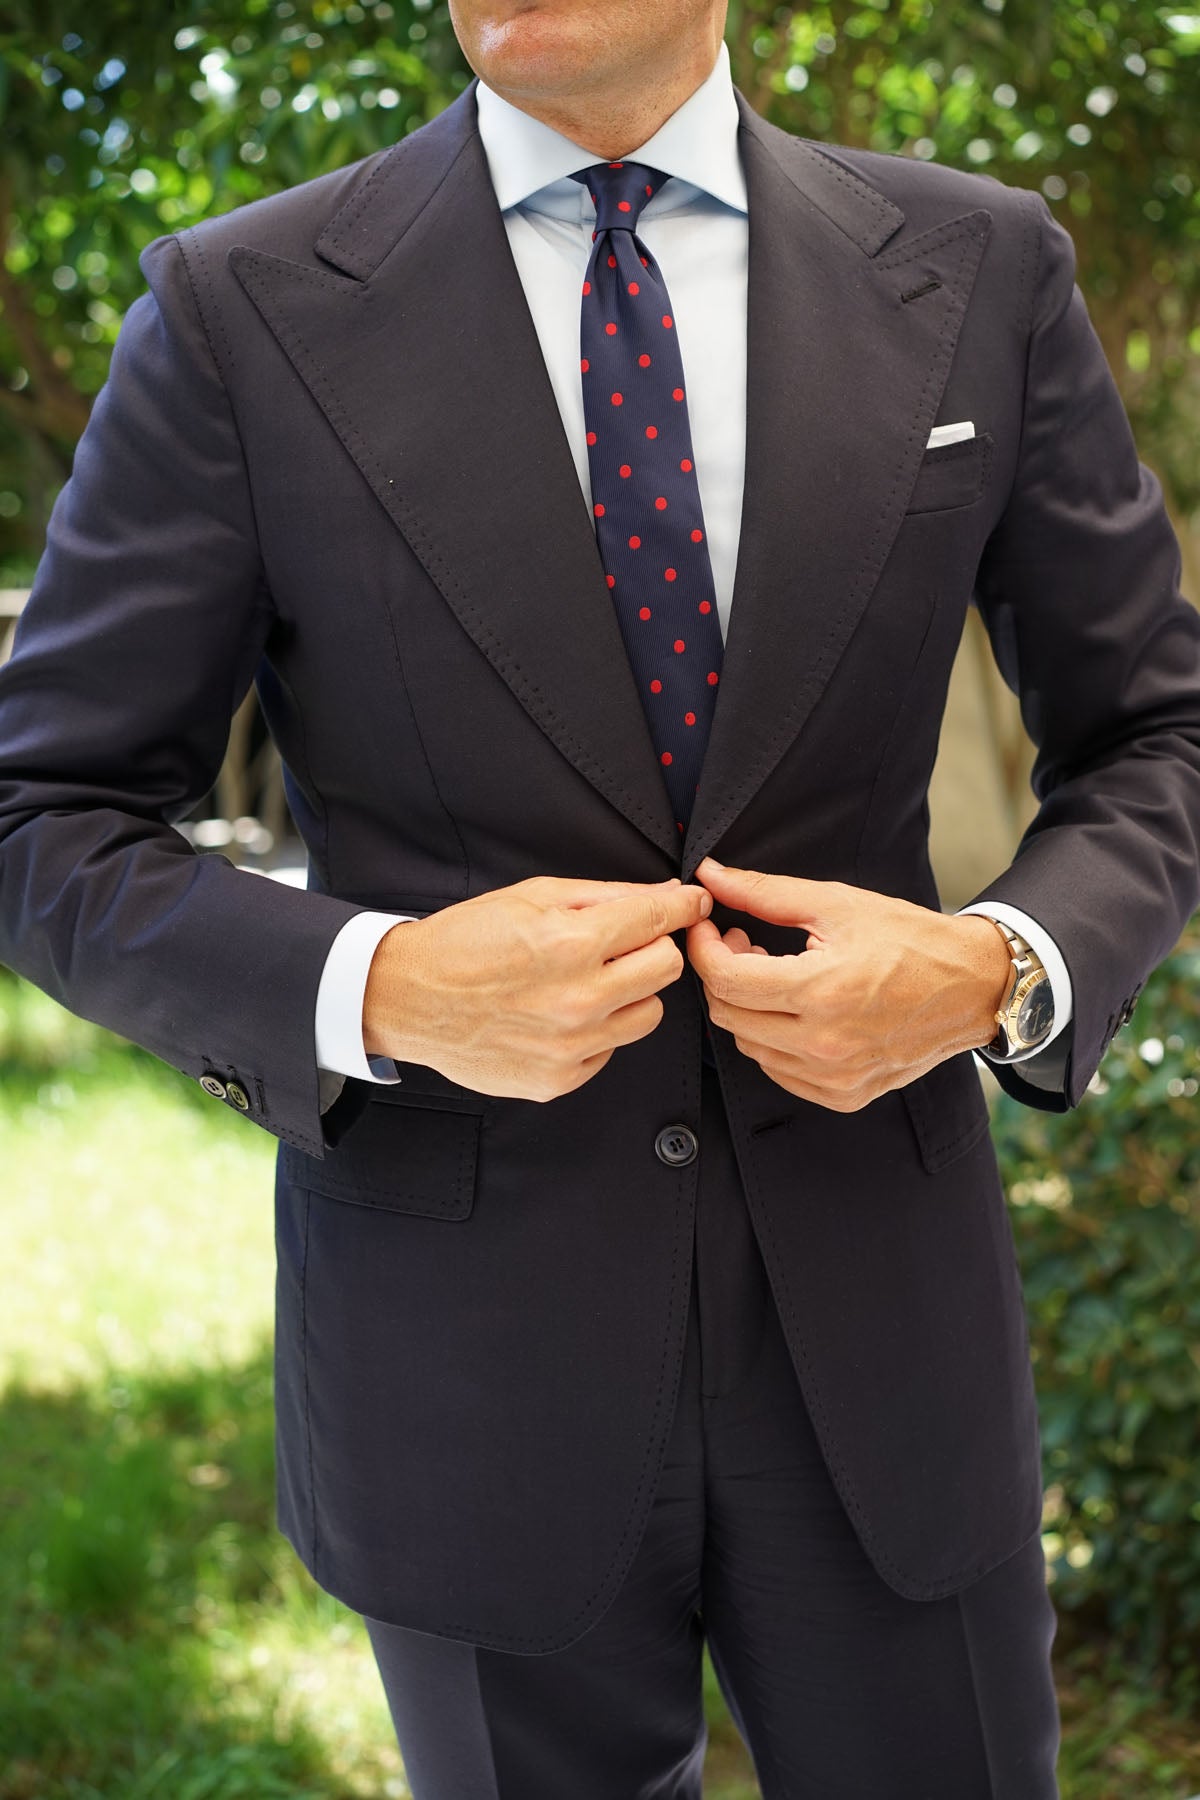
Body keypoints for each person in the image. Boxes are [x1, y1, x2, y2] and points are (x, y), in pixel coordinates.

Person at [2, 1, 1199, 1793]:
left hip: (888, 1335)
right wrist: (378, 986)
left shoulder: (976, 265)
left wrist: (993, 967)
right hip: (464, 1372)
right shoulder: (242, 310)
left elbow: (1158, 733)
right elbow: (45, 814)